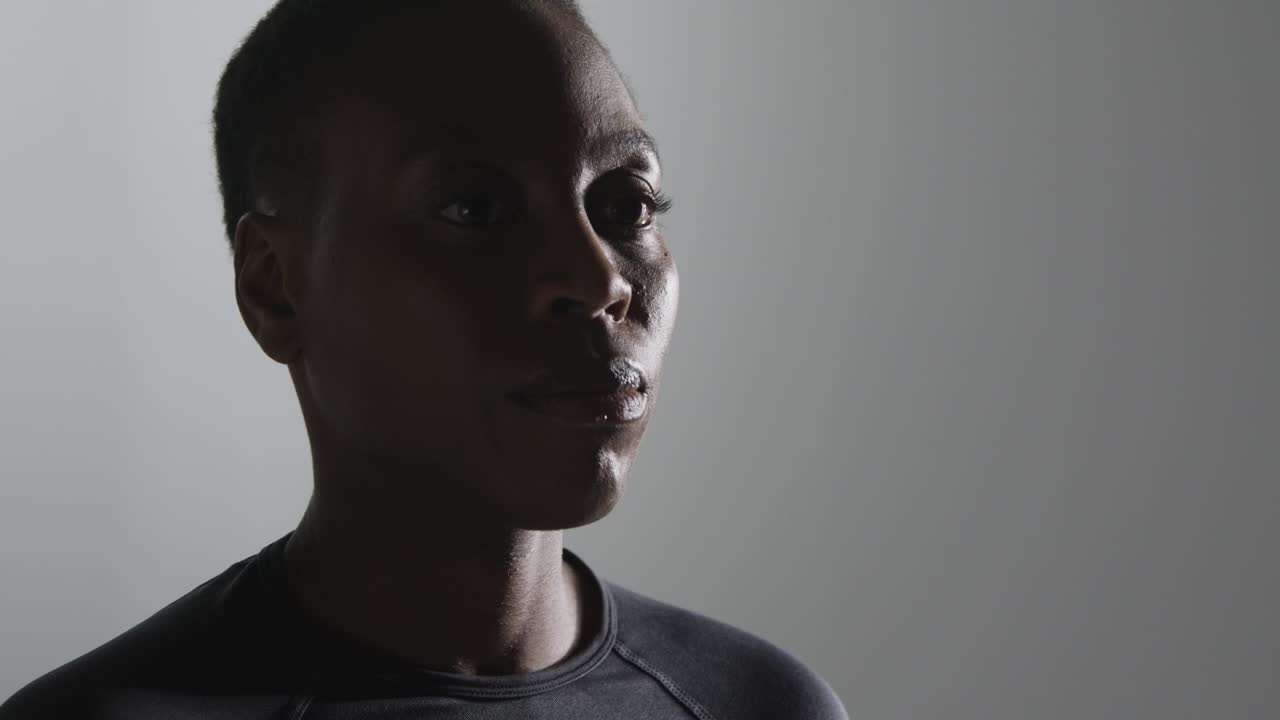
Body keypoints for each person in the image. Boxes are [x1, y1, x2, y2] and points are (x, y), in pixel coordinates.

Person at [0, 1, 849, 718]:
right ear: (276, 289)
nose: (598, 281)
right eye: (475, 207)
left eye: (626, 204)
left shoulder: (763, 705)